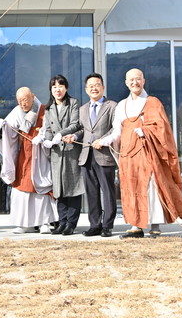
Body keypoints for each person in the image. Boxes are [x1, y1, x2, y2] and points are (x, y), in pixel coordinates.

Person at [99, 68, 182, 238]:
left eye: (138, 79)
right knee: (131, 187)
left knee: (151, 186)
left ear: (143, 81)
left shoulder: (153, 102)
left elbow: (162, 127)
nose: (135, 82)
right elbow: (117, 131)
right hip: (129, 154)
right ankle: (136, 226)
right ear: (126, 83)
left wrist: (146, 130)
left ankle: (155, 225)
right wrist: (105, 140)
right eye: (131, 80)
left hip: (148, 152)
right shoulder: (121, 106)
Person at [0, 86, 58, 234]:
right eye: (20, 101)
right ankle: (24, 224)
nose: (23, 103)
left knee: (42, 187)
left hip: (41, 154)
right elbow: (9, 130)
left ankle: (44, 223)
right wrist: (3, 127)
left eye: (25, 99)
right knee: (22, 189)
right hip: (24, 155)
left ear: (32, 96)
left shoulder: (44, 110)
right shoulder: (16, 112)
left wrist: (42, 137)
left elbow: (50, 129)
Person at [70, 73, 117, 238]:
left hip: (104, 155)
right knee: (91, 193)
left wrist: (103, 140)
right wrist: (73, 136)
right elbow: (82, 130)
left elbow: (116, 128)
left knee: (108, 192)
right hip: (86, 156)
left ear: (103, 87)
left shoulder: (112, 106)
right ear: (86, 89)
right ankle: (95, 225)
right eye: (90, 86)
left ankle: (107, 226)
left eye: (97, 85)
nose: (94, 88)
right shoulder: (83, 109)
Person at [37, 75, 82, 235]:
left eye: (61, 86)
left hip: (71, 151)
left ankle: (71, 223)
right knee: (59, 189)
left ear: (66, 88)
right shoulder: (49, 108)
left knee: (73, 187)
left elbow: (75, 124)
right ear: (51, 89)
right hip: (56, 153)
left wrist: (60, 134)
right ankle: (62, 222)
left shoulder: (73, 103)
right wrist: (47, 140)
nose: (58, 89)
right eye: (54, 86)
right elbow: (48, 129)